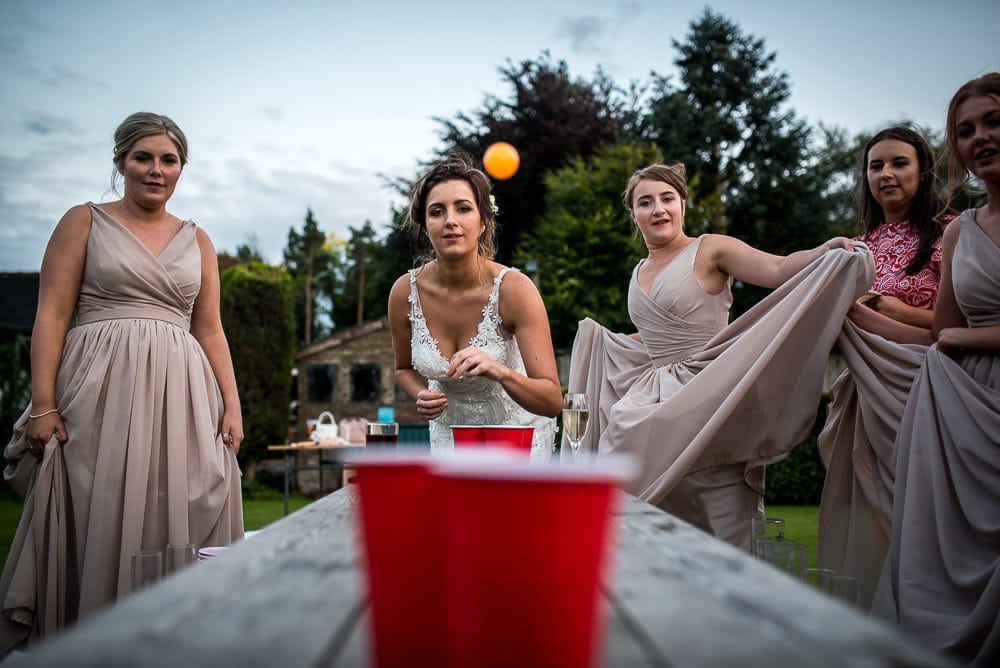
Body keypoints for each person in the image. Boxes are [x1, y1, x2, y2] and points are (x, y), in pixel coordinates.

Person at [0, 112, 244, 651]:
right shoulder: (82, 221)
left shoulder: (197, 239)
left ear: (181, 168)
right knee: (98, 512)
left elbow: (210, 328)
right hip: (97, 391)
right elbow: (51, 316)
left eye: (169, 160)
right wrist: (42, 404)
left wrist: (232, 404)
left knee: (173, 505)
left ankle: (171, 643)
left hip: (181, 397)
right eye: (144, 158)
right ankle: (86, 644)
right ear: (121, 162)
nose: (156, 170)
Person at [566, 163, 874, 549]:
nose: (658, 209)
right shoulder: (638, 271)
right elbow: (656, 334)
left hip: (711, 389)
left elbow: (777, 268)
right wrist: (601, 342)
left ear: (682, 205)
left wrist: (821, 251)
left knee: (718, 513)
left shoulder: (711, 248)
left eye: (667, 199)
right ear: (633, 214)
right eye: (645, 202)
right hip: (656, 400)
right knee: (644, 515)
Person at [877, 73, 1000, 665]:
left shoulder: (936, 232)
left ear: (925, 168)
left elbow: (945, 330)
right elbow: (946, 331)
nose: (981, 138)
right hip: (956, 395)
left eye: (993, 122)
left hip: (961, 376)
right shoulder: (961, 232)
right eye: (967, 129)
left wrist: (897, 311)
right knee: (935, 544)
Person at [816, 127, 953, 609]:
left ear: (923, 170)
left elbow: (971, 321)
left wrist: (900, 310)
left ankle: (930, 609)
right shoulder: (858, 247)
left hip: (930, 386)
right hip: (865, 390)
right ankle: (872, 610)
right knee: (871, 508)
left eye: (899, 163)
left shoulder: (950, 233)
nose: (886, 174)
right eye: (876, 166)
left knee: (925, 506)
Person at [387, 153, 561, 457]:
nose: (450, 220)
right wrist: (421, 393)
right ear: (425, 226)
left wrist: (499, 371)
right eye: (437, 211)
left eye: (463, 209)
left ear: (483, 222)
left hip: (516, 440)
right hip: (447, 439)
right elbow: (403, 368)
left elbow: (551, 401)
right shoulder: (404, 292)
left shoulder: (515, 290)